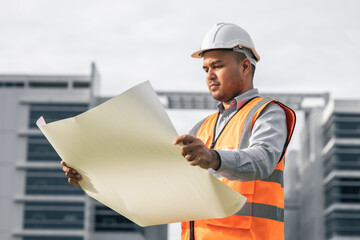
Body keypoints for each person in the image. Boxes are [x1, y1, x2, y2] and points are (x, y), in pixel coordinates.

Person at [62, 23, 296, 240]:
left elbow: (262, 159)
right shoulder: (202, 129)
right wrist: (91, 175)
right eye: (206, 69)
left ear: (245, 66)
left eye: (218, 66)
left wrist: (213, 158)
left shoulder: (267, 112)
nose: (209, 76)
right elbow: (165, 182)